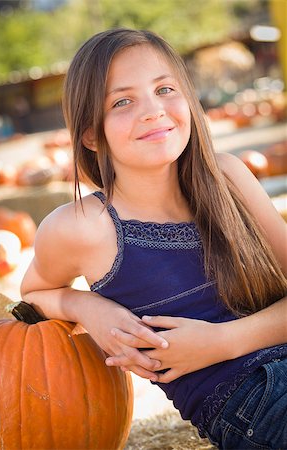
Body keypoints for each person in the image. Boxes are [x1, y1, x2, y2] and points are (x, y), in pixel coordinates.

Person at [21, 29, 287, 449]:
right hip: (257, 403)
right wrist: (86, 305)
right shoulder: (84, 226)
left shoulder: (228, 178)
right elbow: (34, 292)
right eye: (122, 101)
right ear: (91, 134)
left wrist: (223, 341)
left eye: (165, 88)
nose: (153, 111)